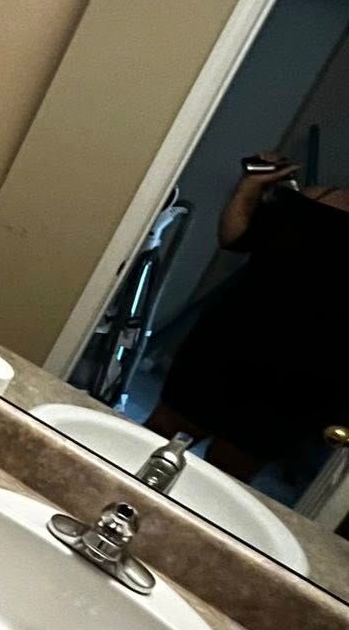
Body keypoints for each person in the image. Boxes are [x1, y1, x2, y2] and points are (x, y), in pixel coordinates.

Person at [147, 152, 349, 482]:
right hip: (228, 342)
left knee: (225, 476)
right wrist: (249, 187)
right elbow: (235, 239)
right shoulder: (313, 197)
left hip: (302, 379)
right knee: (158, 438)